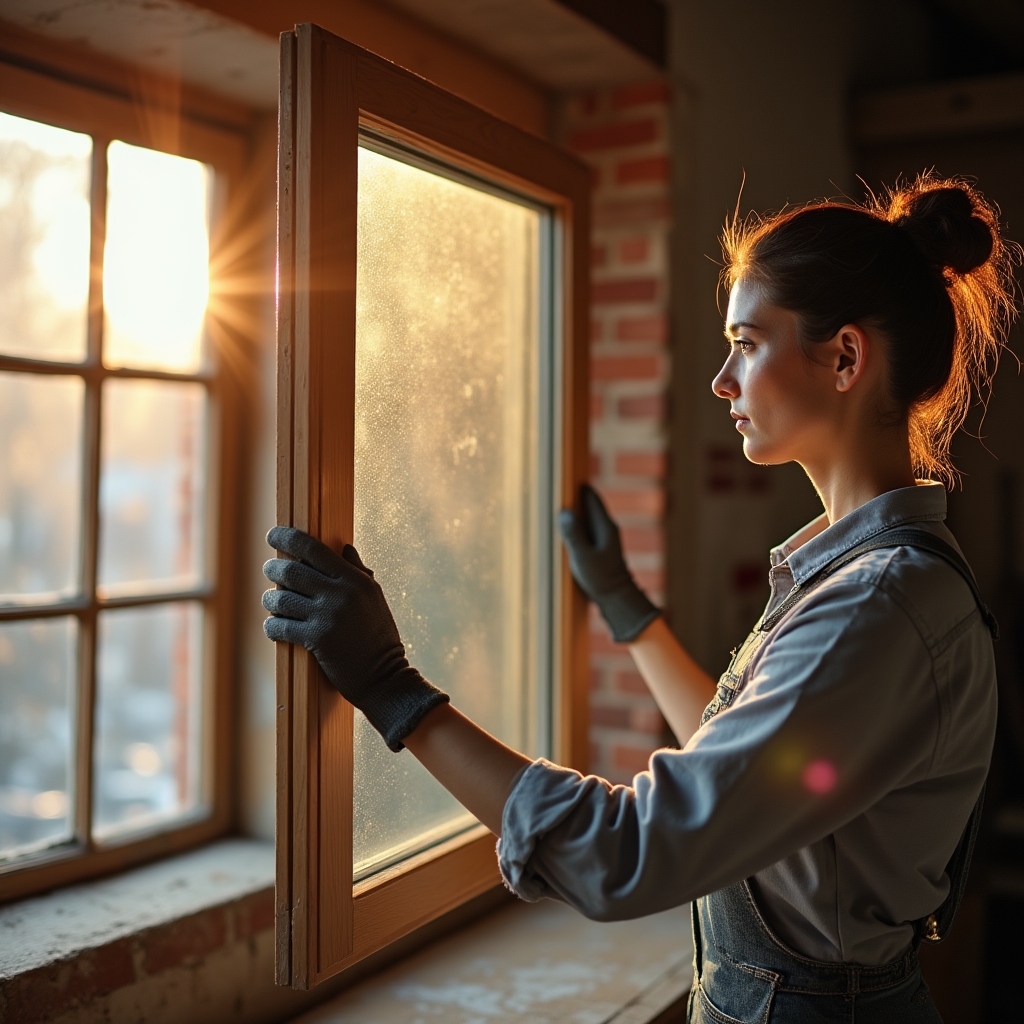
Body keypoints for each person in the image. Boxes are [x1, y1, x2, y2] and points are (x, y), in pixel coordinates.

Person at [262, 173, 1018, 1022]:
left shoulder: (877, 607)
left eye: (747, 342)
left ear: (845, 358)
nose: (721, 380)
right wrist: (623, 605)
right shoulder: (871, 576)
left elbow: (634, 854)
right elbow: (746, 767)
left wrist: (395, 690)